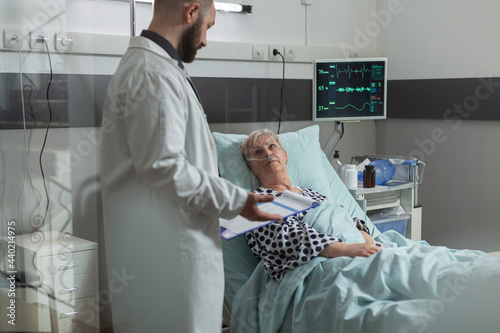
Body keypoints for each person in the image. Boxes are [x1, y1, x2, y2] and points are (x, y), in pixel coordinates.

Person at [100, 1, 281, 332]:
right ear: (191, 11)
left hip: (167, 257)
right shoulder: (152, 73)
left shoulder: (157, 68)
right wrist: (239, 201)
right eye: (209, 26)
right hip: (170, 264)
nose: (205, 40)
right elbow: (163, 167)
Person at [241, 129, 382, 281]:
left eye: (272, 146)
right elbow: (289, 238)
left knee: (400, 259)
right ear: (251, 168)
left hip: (359, 246)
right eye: (258, 152)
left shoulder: (310, 193)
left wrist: (374, 245)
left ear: (285, 155)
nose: (268, 154)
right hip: (324, 263)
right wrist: (347, 249)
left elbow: (345, 221)